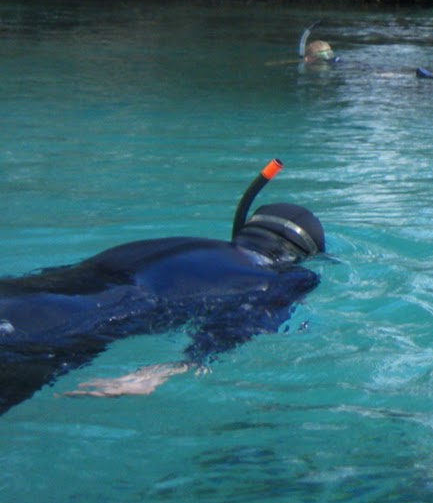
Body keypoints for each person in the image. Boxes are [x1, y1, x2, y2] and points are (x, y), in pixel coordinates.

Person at [0, 160, 324, 413]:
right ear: (300, 255)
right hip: (63, 333)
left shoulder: (178, 244)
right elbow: (242, 322)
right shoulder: (284, 279)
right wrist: (164, 371)